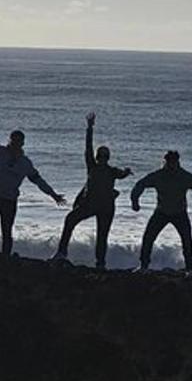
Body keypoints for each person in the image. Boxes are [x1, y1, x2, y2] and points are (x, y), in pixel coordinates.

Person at [0, 108, 66, 255]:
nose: (15, 144)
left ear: (23, 143)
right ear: (9, 140)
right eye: (13, 141)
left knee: (6, 231)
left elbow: (39, 181)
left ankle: (5, 259)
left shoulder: (25, 163)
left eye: (19, 142)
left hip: (9, 200)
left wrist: (53, 195)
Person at [52, 112, 132, 268]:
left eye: (104, 156)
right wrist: (89, 128)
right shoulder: (92, 166)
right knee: (70, 220)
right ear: (97, 157)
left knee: (102, 236)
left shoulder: (111, 170)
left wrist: (126, 172)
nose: (102, 159)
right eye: (100, 156)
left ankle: (100, 264)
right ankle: (62, 253)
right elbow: (87, 147)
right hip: (91, 205)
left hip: (106, 208)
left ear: (107, 158)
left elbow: (121, 175)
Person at [131, 151, 192, 271]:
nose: (171, 165)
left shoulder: (184, 176)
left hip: (179, 213)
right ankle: (143, 265)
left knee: (187, 241)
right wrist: (135, 201)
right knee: (148, 237)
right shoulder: (159, 175)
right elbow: (140, 184)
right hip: (161, 212)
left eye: (173, 162)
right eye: (169, 162)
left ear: (177, 162)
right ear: (165, 161)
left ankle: (190, 267)